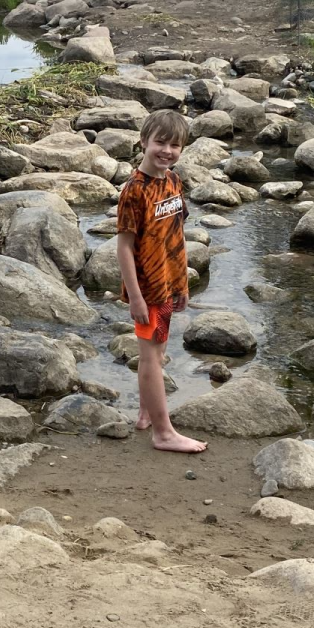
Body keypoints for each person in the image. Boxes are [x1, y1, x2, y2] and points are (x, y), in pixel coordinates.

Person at [116, 109, 207, 454]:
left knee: (160, 347)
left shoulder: (172, 181)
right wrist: (136, 298)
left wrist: (181, 283)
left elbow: (175, 235)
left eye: (175, 144)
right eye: (160, 142)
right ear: (143, 141)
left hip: (168, 283)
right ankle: (163, 433)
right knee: (151, 356)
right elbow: (124, 249)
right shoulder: (134, 191)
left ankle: (145, 412)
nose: (167, 150)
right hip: (148, 288)